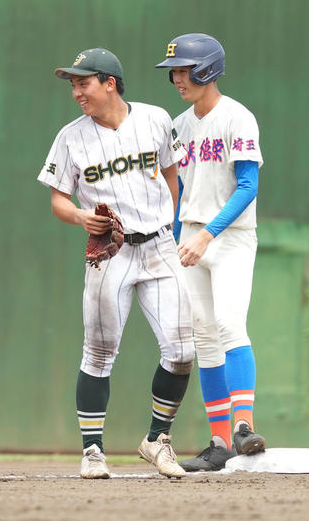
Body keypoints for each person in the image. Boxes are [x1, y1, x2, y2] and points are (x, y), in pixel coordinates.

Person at [37, 48, 195, 480]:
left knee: (182, 350)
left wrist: (172, 227)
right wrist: (80, 216)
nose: (76, 92)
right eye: (72, 84)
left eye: (83, 82)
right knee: (100, 353)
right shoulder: (71, 137)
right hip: (111, 252)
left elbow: (170, 175)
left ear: (110, 82)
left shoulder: (156, 119)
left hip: (160, 245)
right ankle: (92, 450)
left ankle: (157, 440)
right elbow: (57, 199)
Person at [153, 34, 266, 472]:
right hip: (191, 235)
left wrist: (208, 235)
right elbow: (178, 192)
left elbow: (249, 186)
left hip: (231, 236)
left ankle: (243, 427)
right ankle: (219, 443)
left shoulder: (238, 117)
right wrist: (179, 235)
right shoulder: (179, 125)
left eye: (184, 69)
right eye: (174, 71)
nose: (177, 77)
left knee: (229, 325)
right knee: (202, 336)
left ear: (208, 70)